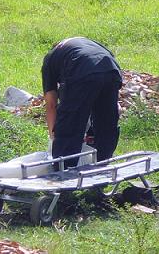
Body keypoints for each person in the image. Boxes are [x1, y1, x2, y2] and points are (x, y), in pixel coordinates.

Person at [41, 37, 122, 168]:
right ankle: (103, 170)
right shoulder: (88, 43)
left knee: (69, 126)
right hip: (111, 70)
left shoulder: (51, 58)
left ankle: (64, 179)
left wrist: (53, 136)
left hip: (81, 72)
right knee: (106, 124)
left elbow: (51, 104)